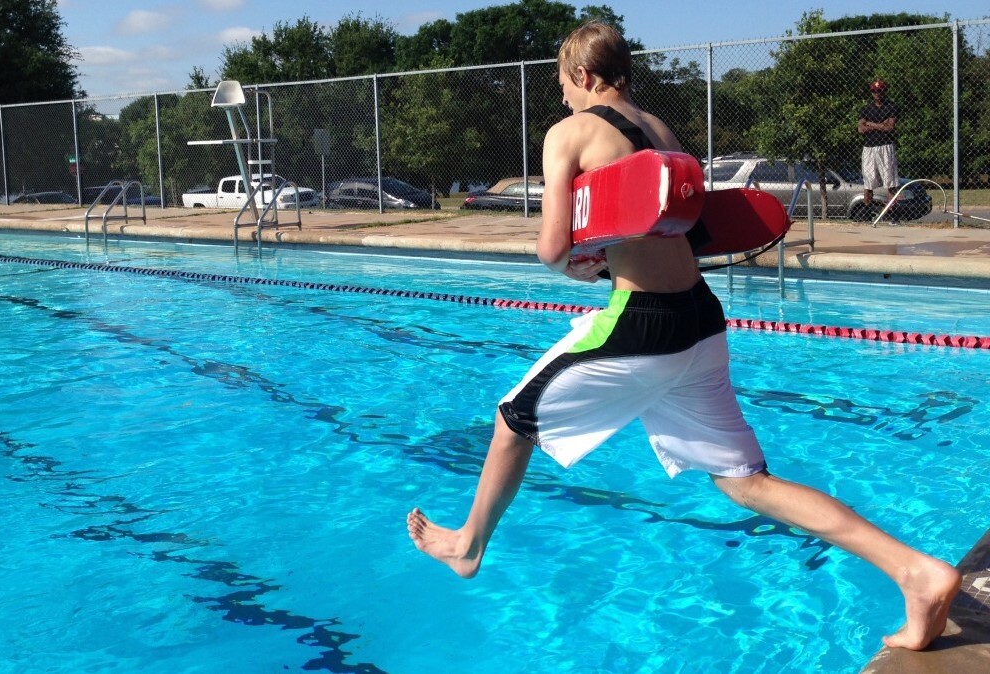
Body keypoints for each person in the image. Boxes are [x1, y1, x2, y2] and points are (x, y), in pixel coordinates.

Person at [406, 21, 959, 652]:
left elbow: (553, 247)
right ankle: (914, 572)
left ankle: (467, 546)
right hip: (699, 318)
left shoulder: (569, 132)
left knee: (513, 420)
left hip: (642, 324)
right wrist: (607, 257)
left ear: (583, 78)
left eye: (562, 85)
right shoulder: (664, 134)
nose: (561, 99)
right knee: (746, 482)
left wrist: (575, 265)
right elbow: (670, 228)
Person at [858, 79, 899, 210]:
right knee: (868, 183)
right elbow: (860, 129)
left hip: (885, 146)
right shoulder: (866, 109)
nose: (877, 93)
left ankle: (893, 214)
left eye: (879, 90)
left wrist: (870, 124)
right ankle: (867, 211)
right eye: (874, 91)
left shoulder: (891, 107)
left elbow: (889, 127)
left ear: (884, 91)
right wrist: (881, 124)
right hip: (869, 148)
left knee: (890, 182)